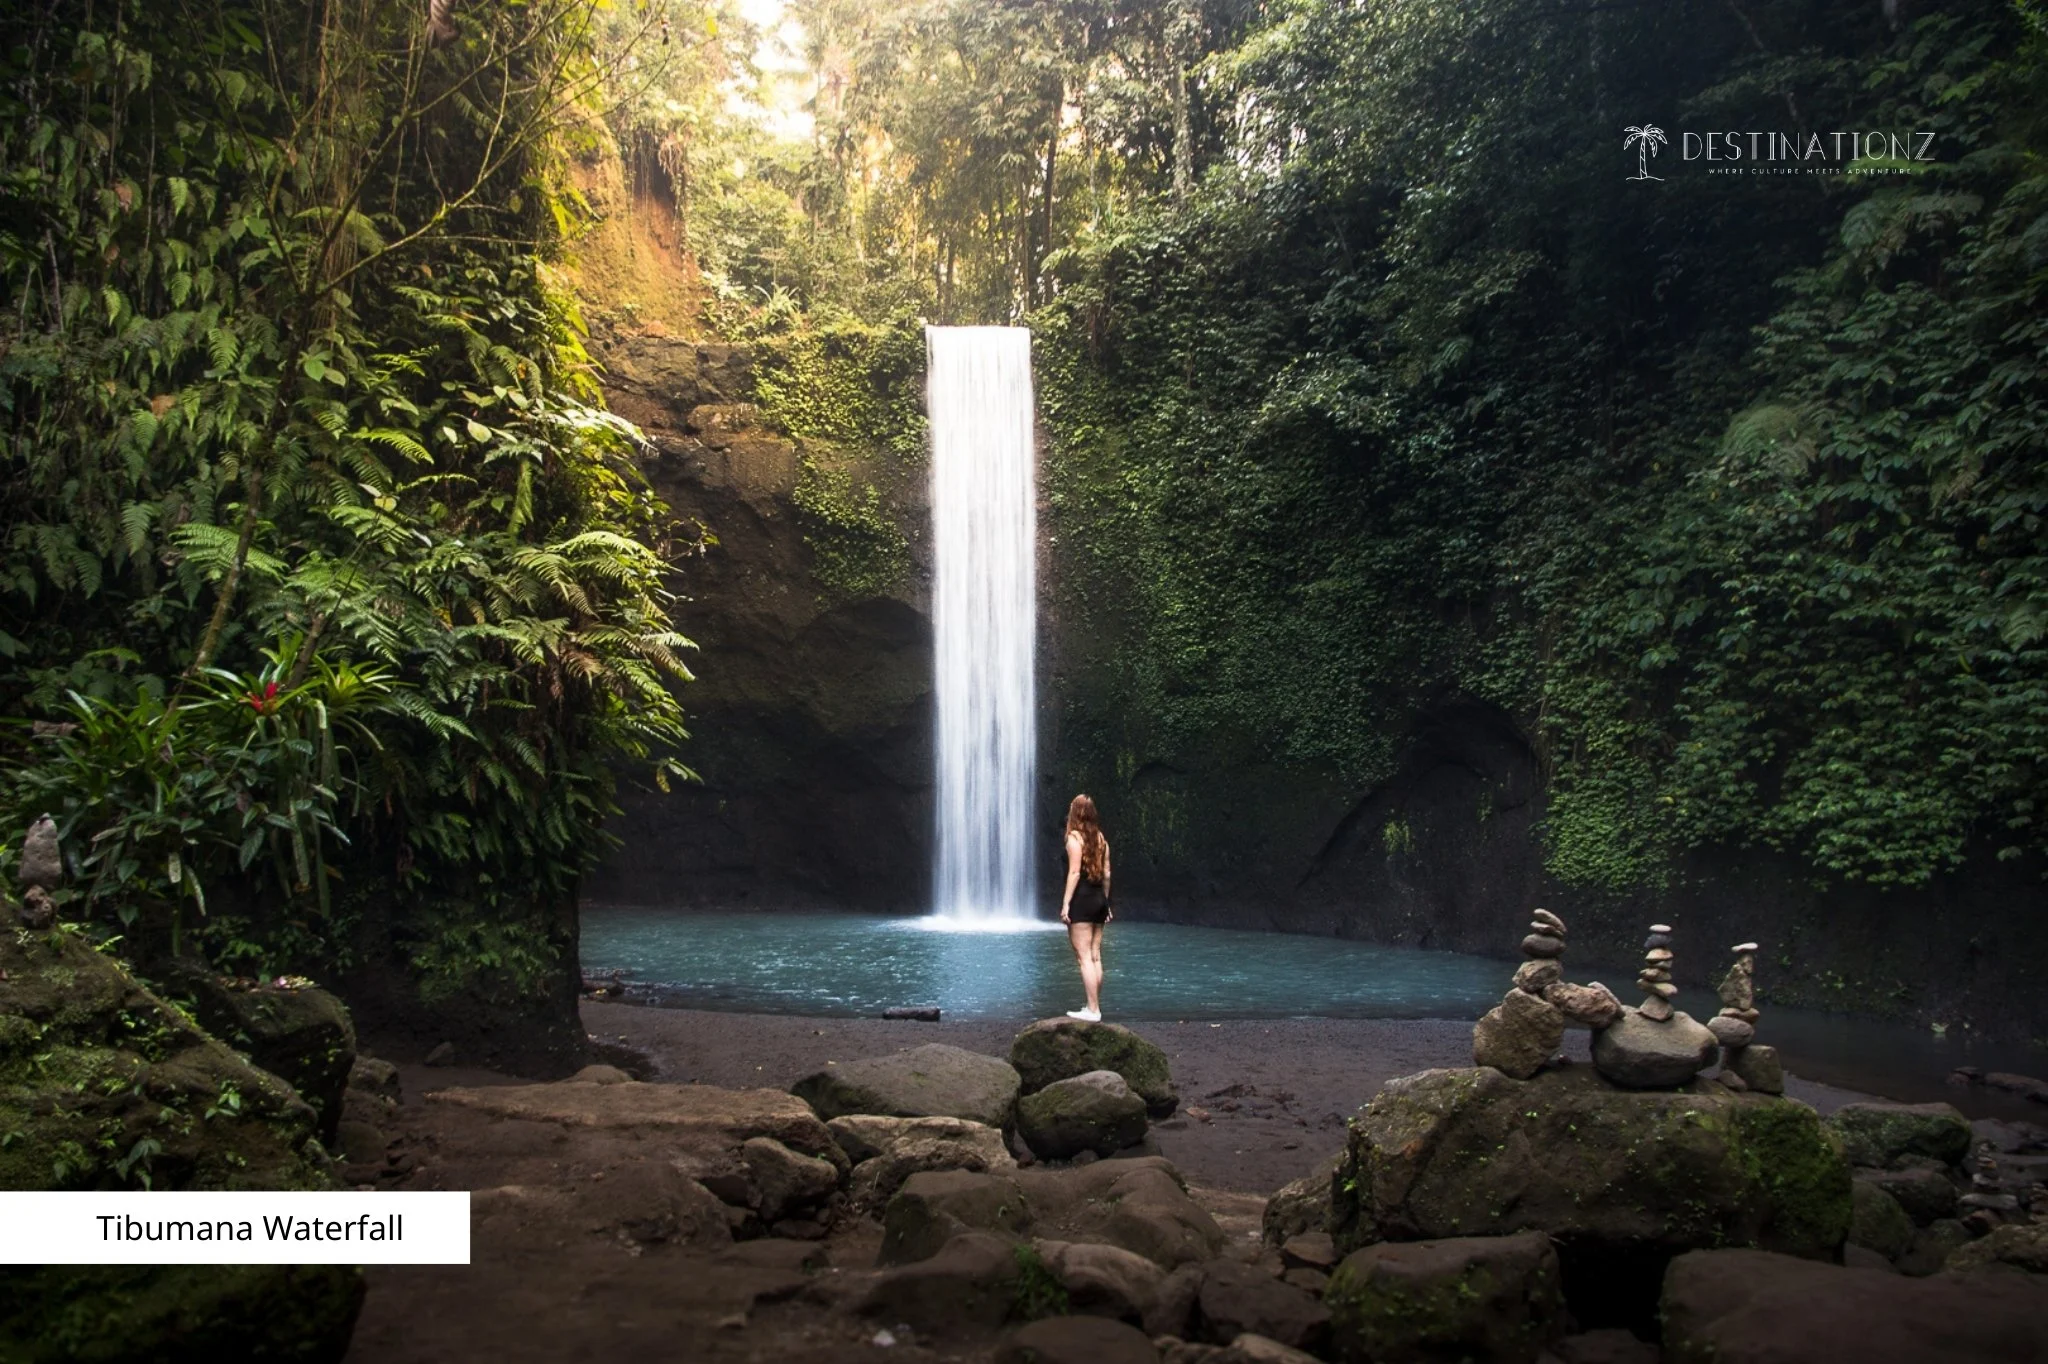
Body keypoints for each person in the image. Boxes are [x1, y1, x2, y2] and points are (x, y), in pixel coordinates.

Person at [1059, 794, 1113, 1021]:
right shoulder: (1101, 839)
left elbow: (1074, 872)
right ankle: (1094, 1005)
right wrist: (1106, 902)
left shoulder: (1074, 838)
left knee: (1084, 958)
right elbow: (1107, 873)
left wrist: (1066, 904)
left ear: (1075, 812)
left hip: (1082, 899)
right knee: (1095, 956)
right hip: (1099, 899)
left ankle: (1093, 1009)